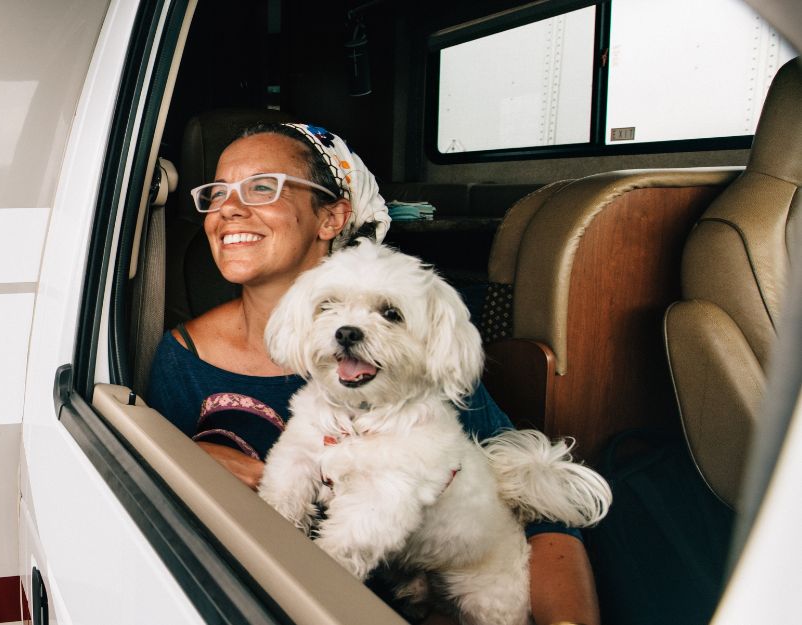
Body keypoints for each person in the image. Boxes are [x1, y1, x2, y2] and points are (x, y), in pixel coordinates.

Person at [146, 122, 600, 625]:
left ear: (332, 216)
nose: (228, 209)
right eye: (217, 193)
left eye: (262, 187)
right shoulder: (180, 358)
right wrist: (188, 458)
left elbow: (542, 516)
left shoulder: (423, 359)